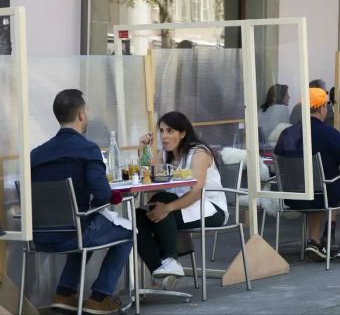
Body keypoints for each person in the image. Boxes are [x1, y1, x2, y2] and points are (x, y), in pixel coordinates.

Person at [30, 89, 132, 315]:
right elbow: (103, 194)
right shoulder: (87, 149)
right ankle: (99, 298)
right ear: (81, 115)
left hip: (38, 236)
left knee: (85, 226)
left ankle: (64, 294)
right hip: (73, 234)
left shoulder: (35, 155)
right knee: (127, 232)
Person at [275, 88, 340, 261]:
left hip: (292, 196)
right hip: (323, 196)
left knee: (314, 185)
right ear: (322, 108)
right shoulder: (329, 133)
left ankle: (315, 241)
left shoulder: (287, 133)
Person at [135, 112, 228, 281]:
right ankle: (162, 272)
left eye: (170, 131)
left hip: (209, 208)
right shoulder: (164, 154)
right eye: (161, 131)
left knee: (162, 202)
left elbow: (196, 192)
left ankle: (172, 259)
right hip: (179, 206)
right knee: (136, 219)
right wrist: (143, 150)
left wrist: (167, 208)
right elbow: (147, 181)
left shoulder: (199, 153)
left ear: (182, 133)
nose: (164, 136)